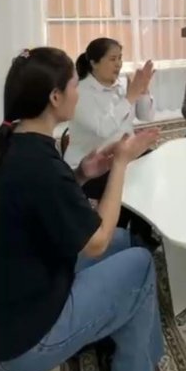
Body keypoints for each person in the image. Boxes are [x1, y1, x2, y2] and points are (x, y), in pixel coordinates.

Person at [0, 47, 174, 371]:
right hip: (21, 342)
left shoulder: (14, 140)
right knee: (140, 264)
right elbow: (96, 242)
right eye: (75, 84)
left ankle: (140, 362)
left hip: (20, 290)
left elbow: (43, 205)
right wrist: (120, 163)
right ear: (55, 97)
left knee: (125, 241)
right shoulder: (39, 164)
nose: (78, 91)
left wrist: (81, 174)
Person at [66, 37, 156, 244]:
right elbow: (103, 129)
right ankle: (115, 234)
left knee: (151, 166)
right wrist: (130, 97)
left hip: (123, 153)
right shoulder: (80, 92)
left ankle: (140, 233)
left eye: (120, 58)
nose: (118, 64)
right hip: (93, 164)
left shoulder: (119, 86)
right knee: (128, 183)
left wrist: (143, 90)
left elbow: (146, 116)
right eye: (112, 59)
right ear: (94, 63)